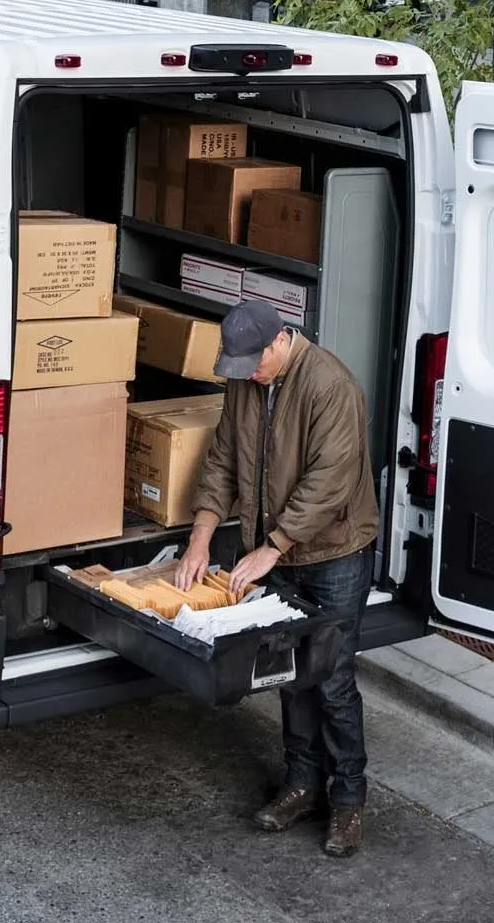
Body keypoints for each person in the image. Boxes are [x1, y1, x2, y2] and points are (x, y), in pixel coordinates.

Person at [175, 298, 379, 858]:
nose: (246, 376)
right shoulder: (247, 380)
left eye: (253, 365)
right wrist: (200, 534)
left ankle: (348, 801)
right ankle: (301, 784)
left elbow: (329, 483)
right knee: (290, 673)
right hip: (280, 554)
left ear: (279, 342)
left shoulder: (330, 386)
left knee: (333, 679)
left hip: (334, 553)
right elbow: (222, 460)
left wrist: (272, 546)